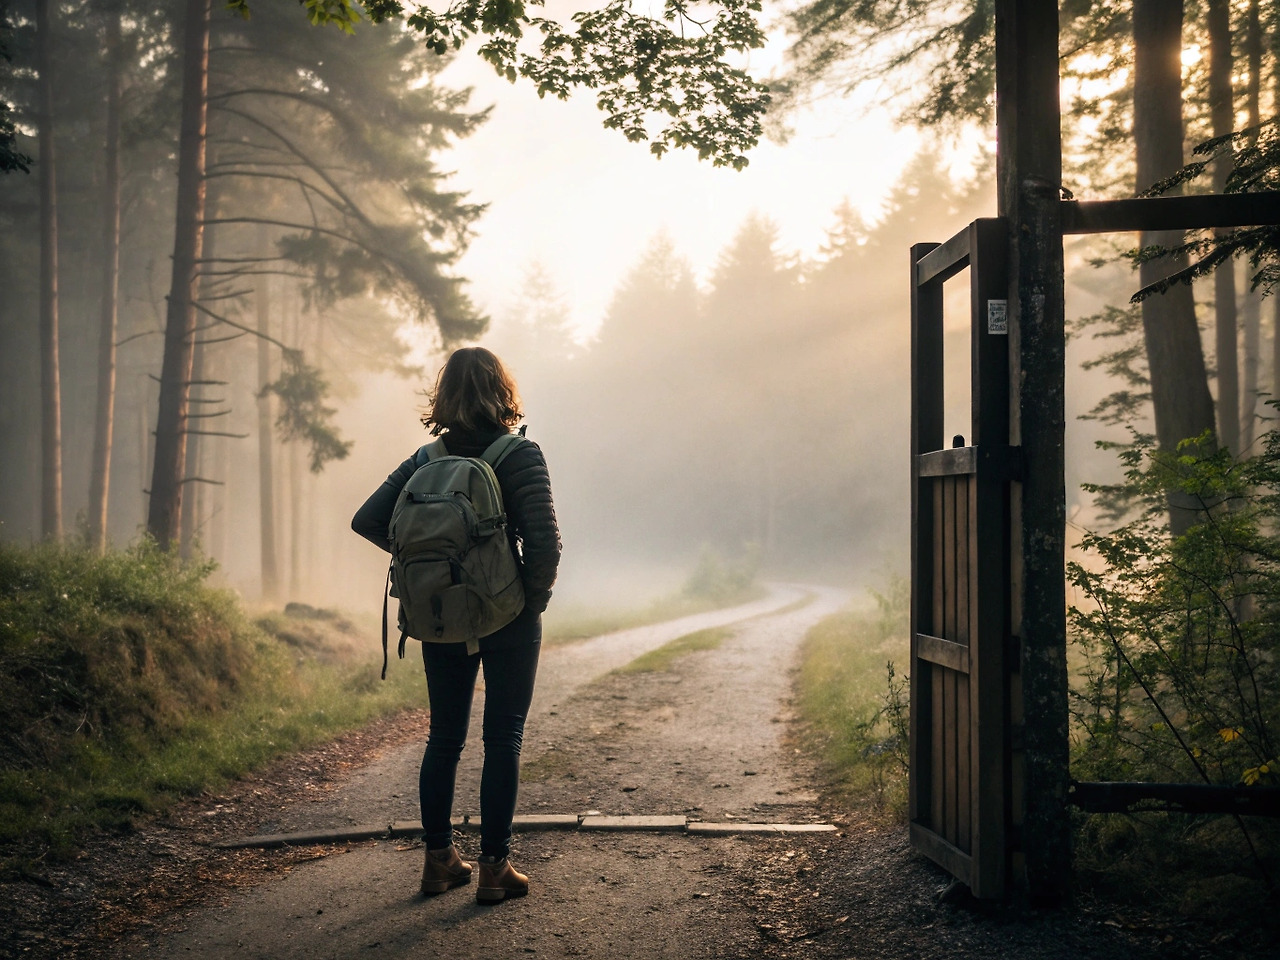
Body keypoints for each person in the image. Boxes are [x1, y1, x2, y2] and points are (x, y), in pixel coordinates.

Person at [351, 347, 561, 904]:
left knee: (444, 738)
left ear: (443, 396)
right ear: (503, 391)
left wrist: (432, 569)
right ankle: (494, 869)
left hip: (440, 614)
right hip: (508, 616)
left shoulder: (425, 459)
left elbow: (367, 519)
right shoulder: (519, 455)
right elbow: (544, 542)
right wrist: (528, 603)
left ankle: (439, 861)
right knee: (503, 738)